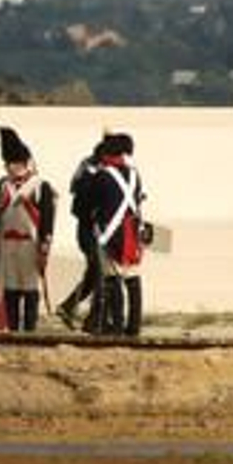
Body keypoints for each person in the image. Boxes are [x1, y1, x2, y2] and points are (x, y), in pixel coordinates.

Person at [0, 127, 57, 332]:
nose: (10, 167)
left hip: (30, 243)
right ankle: (13, 329)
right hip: (7, 244)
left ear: (25, 163)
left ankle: (30, 330)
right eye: (8, 163)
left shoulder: (39, 185)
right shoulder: (3, 185)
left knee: (30, 289)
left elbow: (47, 218)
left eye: (14, 163)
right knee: (10, 289)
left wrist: (44, 245)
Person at [93, 133, 147, 336]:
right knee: (132, 279)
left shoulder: (102, 175)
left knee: (113, 279)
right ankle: (134, 326)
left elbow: (93, 204)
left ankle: (117, 326)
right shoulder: (134, 174)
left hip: (111, 233)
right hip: (132, 232)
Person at [58, 140, 106, 332]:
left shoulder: (86, 167)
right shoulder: (91, 172)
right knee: (100, 273)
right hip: (90, 230)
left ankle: (69, 307)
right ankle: (93, 320)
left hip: (89, 230)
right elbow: (81, 204)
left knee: (94, 273)